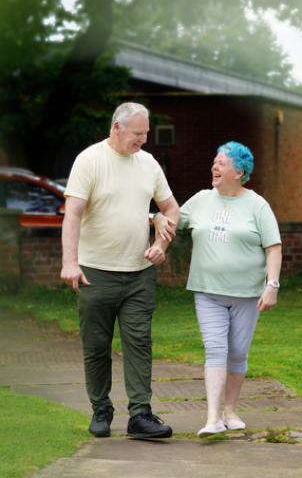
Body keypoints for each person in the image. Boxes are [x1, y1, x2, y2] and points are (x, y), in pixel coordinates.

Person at [60, 102, 180, 439]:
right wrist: (70, 262)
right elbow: (73, 214)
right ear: (117, 127)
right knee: (97, 346)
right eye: (137, 133)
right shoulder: (90, 161)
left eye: (146, 133)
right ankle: (101, 408)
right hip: (95, 273)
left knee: (139, 342)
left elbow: (170, 207)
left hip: (139, 273)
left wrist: (161, 242)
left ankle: (140, 414)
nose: (143, 139)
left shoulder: (148, 163)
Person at [155, 141, 282, 438]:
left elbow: (273, 248)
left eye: (221, 163)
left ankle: (230, 411)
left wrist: (272, 285)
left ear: (239, 172)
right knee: (215, 349)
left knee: (237, 352)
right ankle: (212, 418)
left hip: (247, 295)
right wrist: (158, 217)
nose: (214, 167)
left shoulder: (257, 205)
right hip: (208, 291)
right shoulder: (201, 200)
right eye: (214, 161)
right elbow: (171, 221)